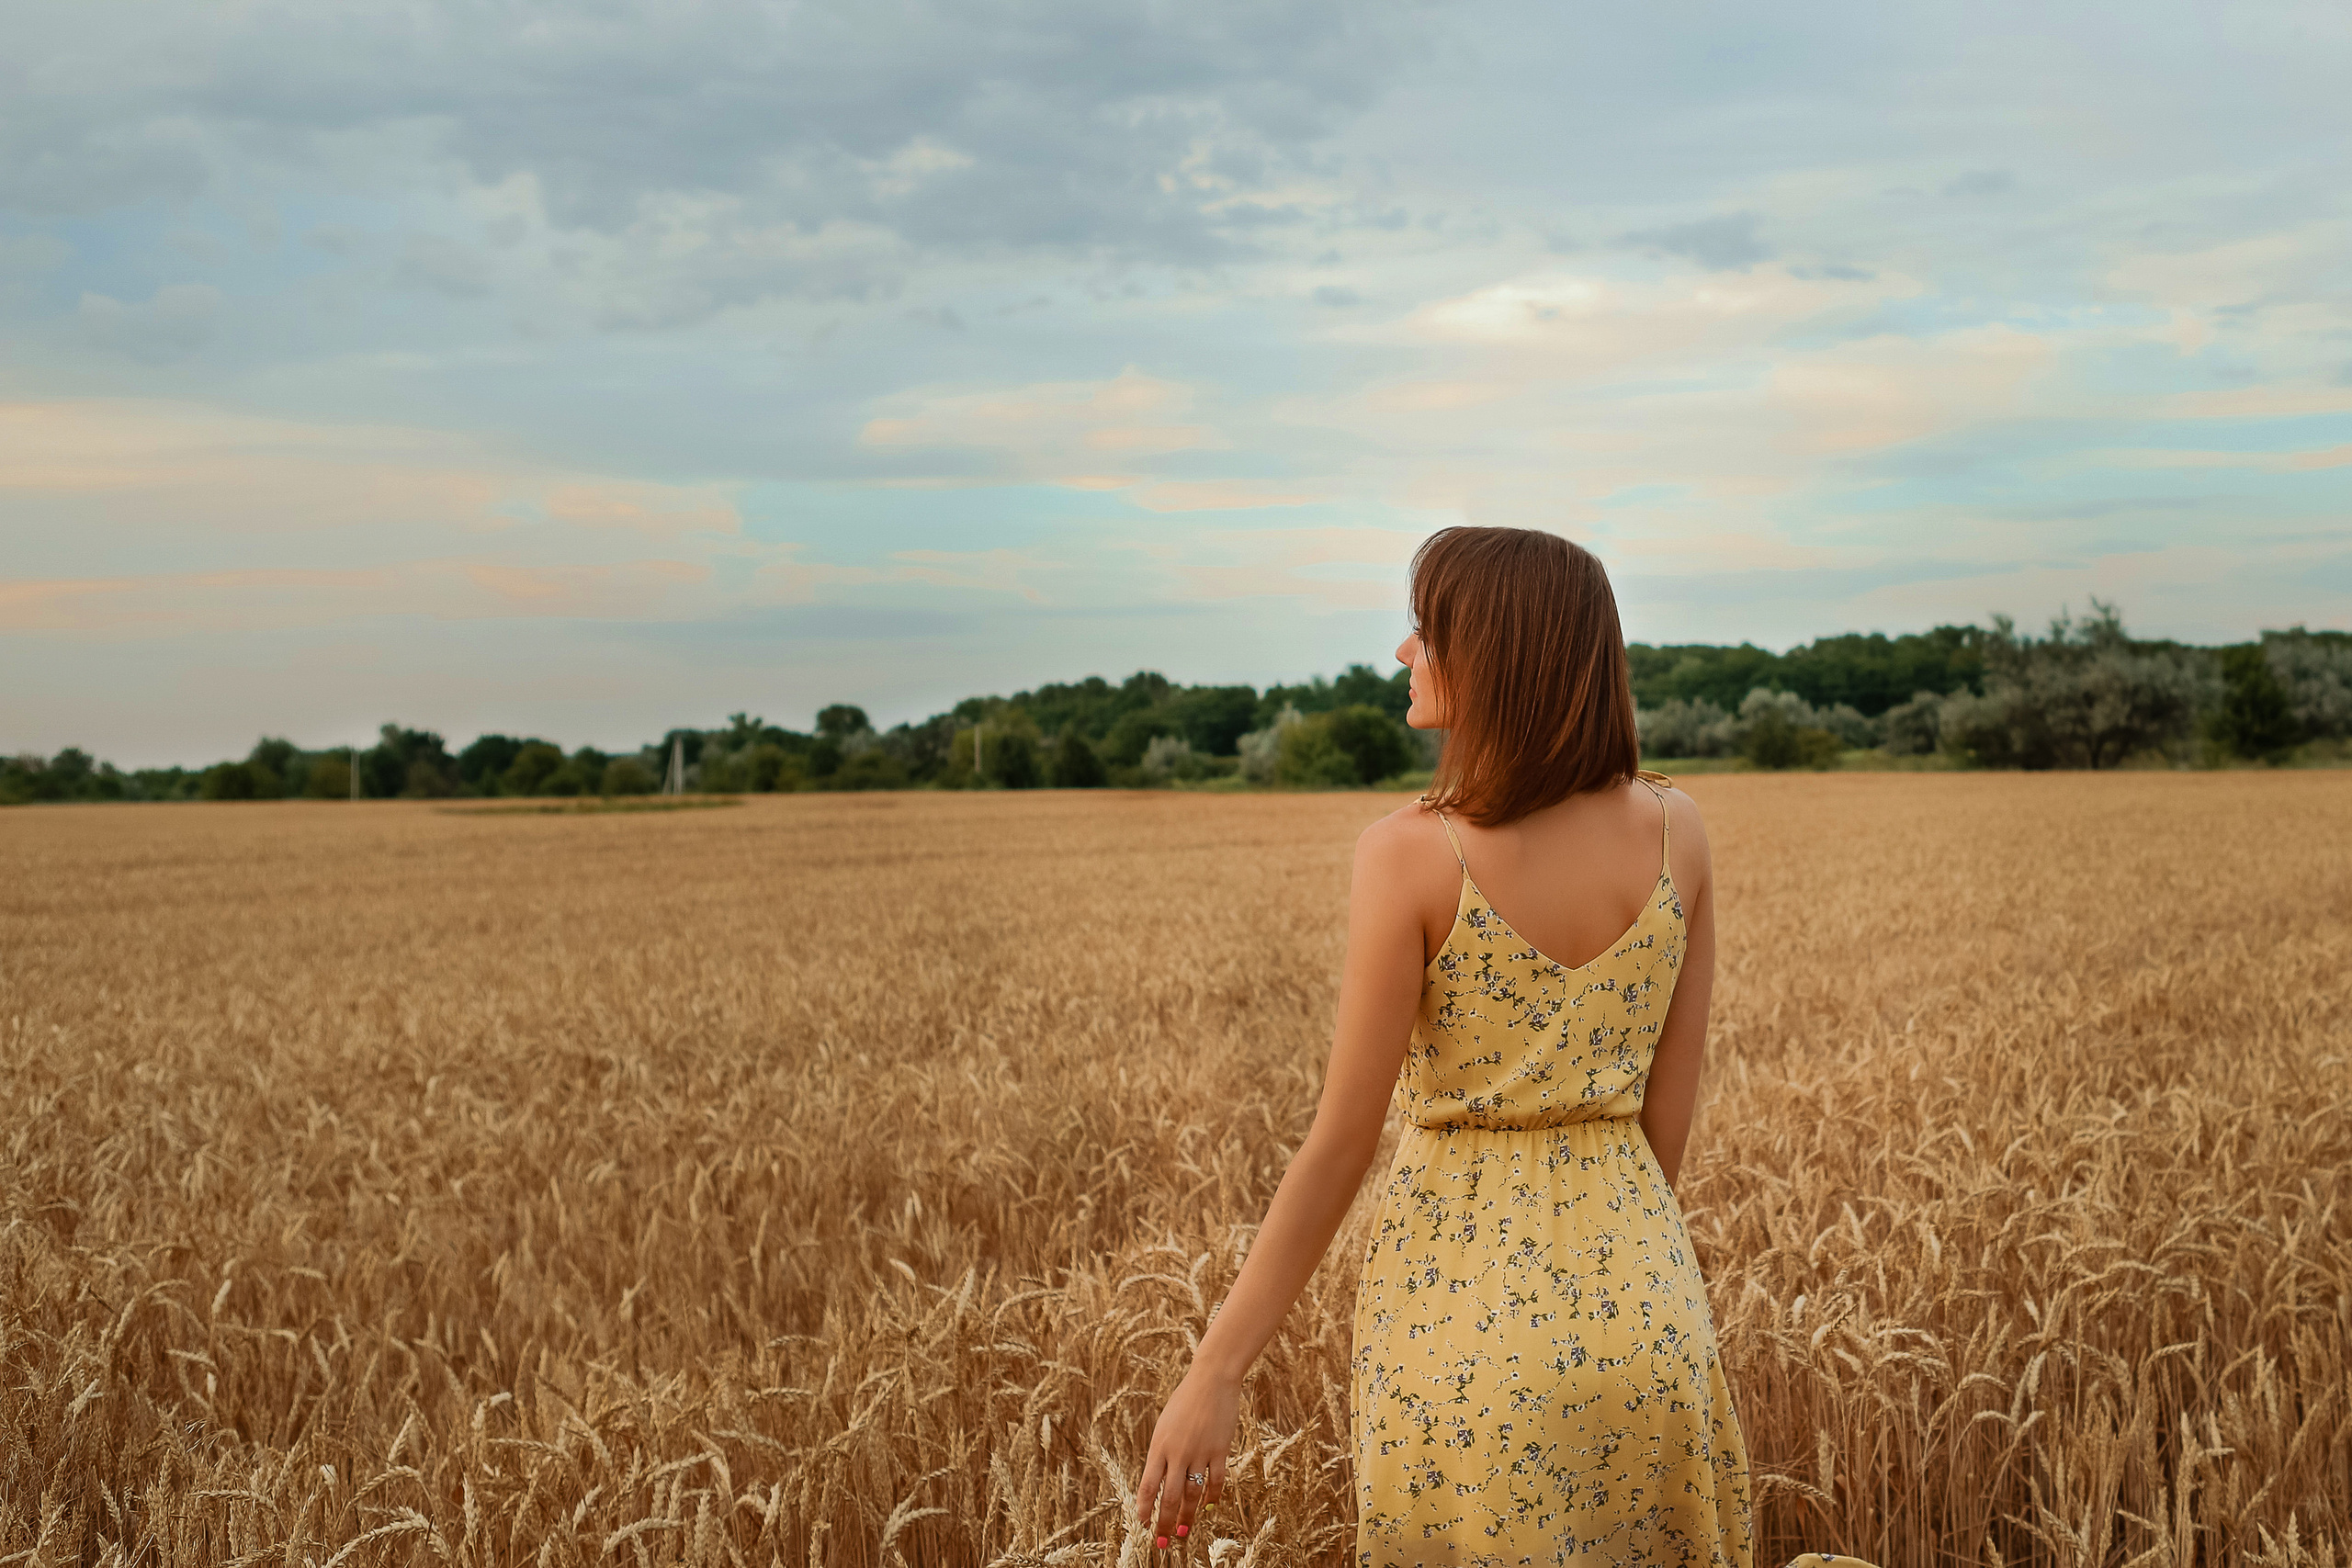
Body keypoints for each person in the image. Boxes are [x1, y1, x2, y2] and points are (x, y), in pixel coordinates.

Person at [1132, 526, 1869, 1567]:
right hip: (1646, 1303)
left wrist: (1216, 1370)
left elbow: (1340, 1143)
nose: (1402, 654)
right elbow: (1667, 1122)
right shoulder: (1678, 830)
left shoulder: (1407, 854)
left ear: (1494, 658)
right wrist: (1605, 1269)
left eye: (1425, 631)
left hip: (1458, 1320)